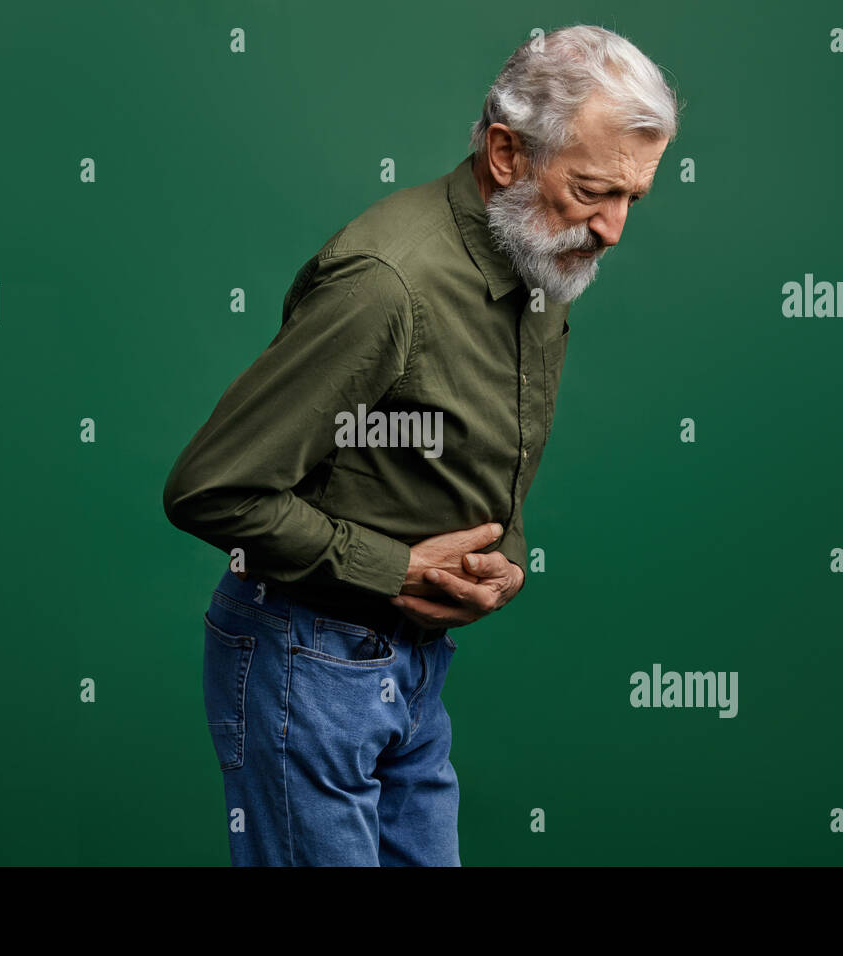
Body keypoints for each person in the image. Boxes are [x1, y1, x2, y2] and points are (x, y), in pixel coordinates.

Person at [163, 23, 679, 866]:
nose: (613, 229)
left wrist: (501, 559)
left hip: (411, 666)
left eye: (632, 200)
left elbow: (478, 447)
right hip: (306, 658)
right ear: (506, 153)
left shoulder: (541, 258)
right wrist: (398, 569)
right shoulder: (386, 284)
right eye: (593, 192)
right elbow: (212, 488)